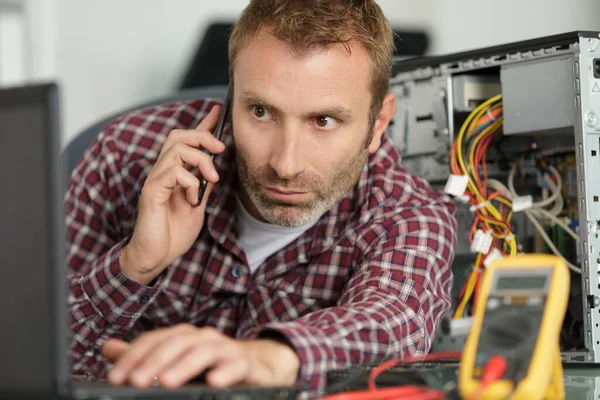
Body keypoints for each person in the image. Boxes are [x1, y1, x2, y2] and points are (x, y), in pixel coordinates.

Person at [65, 0, 457, 393]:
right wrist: (135, 264)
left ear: (378, 123)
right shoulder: (125, 156)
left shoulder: (409, 215)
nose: (286, 164)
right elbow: (34, 358)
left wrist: (263, 357)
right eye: (261, 112)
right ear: (231, 98)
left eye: (324, 121)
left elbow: (389, 329)